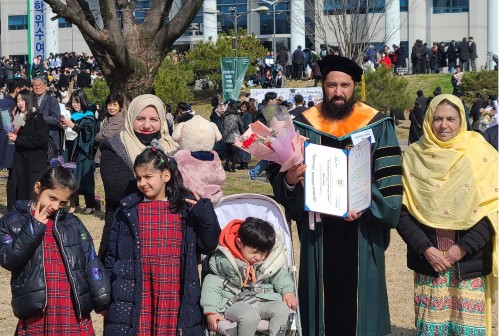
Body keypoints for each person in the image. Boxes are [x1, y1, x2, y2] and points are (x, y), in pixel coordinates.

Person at [266, 54, 403, 335]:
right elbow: (280, 180)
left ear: (354, 87)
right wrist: (289, 180)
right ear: (322, 86)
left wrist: (366, 204)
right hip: (319, 233)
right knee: (323, 306)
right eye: (331, 85)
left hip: (362, 231)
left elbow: (389, 185)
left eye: (345, 85)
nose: (338, 92)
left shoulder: (377, 124)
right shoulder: (302, 125)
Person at [396, 94, 498, 335]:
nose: (444, 125)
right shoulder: (413, 156)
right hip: (429, 263)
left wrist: (459, 250)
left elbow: (493, 210)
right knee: (431, 328)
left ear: (461, 120)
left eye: (451, 119)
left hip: (469, 262)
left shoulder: (481, 154)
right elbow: (401, 211)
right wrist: (427, 249)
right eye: (438, 118)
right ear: (428, 120)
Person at [103, 144, 220, 335]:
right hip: (136, 289)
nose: (142, 183)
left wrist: (205, 213)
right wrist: (105, 295)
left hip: (173, 289)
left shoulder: (185, 209)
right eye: (139, 177)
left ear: (166, 175)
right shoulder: (128, 211)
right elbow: (112, 254)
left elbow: (209, 245)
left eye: (148, 177)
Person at [0, 165, 110, 335]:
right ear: (38, 188)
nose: (55, 206)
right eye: (52, 198)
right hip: (37, 310)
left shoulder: (73, 223)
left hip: (70, 306)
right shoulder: (11, 222)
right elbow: (9, 259)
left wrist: (102, 298)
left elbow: (90, 260)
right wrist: (33, 228)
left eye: (62, 202)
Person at [98, 94, 178, 258]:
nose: (147, 125)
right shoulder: (115, 146)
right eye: (140, 118)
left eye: (154, 119)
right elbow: (118, 191)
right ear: (131, 117)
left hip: (167, 234)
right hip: (124, 232)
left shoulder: (173, 147)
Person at [201, 217, 297, 336]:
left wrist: (288, 291)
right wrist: (211, 311)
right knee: (250, 316)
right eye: (254, 252)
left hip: (263, 300)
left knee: (282, 309)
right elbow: (211, 286)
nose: (258, 257)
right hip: (235, 303)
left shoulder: (268, 263)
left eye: (263, 253)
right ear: (239, 243)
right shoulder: (224, 263)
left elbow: (281, 277)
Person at [6, 89, 49, 210]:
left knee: (31, 194)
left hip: (33, 164)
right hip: (20, 162)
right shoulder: (19, 118)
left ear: (29, 101)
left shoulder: (37, 118)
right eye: (18, 100)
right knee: (18, 191)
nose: (20, 103)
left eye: (22, 100)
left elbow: (40, 140)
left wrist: (18, 139)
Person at [60, 90, 96, 214]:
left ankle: (90, 205)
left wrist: (72, 125)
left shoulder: (89, 115)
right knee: (72, 178)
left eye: (77, 101)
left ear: (83, 101)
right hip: (72, 149)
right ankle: (73, 204)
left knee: (86, 179)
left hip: (84, 152)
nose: (75, 104)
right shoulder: (72, 115)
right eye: (73, 102)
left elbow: (87, 134)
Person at [0, 78, 27, 170]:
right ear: (17, 90)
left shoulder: (4, 102)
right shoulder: (9, 105)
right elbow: (9, 129)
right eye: (24, 90)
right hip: (6, 149)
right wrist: (21, 117)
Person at [32, 76, 61, 159]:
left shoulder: (52, 100)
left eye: (40, 85)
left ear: (45, 86)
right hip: (35, 139)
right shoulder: (31, 99)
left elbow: (56, 118)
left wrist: (39, 119)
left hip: (49, 139)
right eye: (35, 85)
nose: (37, 87)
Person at [94, 94, 125, 165]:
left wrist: (97, 136)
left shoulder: (120, 120)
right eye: (109, 105)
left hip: (114, 156)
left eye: (115, 105)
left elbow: (105, 135)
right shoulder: (108, 118)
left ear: (120, 106)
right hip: (105, 154)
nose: (112, 108)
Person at [222, 101, 242, 172]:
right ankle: (233, 167)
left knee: (228, 152)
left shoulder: (225, 117)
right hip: (235, 137)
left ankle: (226, 165)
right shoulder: (237, 117)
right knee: (235, 152)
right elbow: (241, 125)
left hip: (226, 137)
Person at [237, 101, 252, 169]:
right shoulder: (240, 114)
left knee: (244, 148)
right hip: (241, 133)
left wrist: (241, 127)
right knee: (241, 148)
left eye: (244, 107)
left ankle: (245, 163)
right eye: (242, 107)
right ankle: (242, 163)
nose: (242, 108)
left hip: (245, 133)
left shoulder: (248, 115)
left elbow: (247, 125)